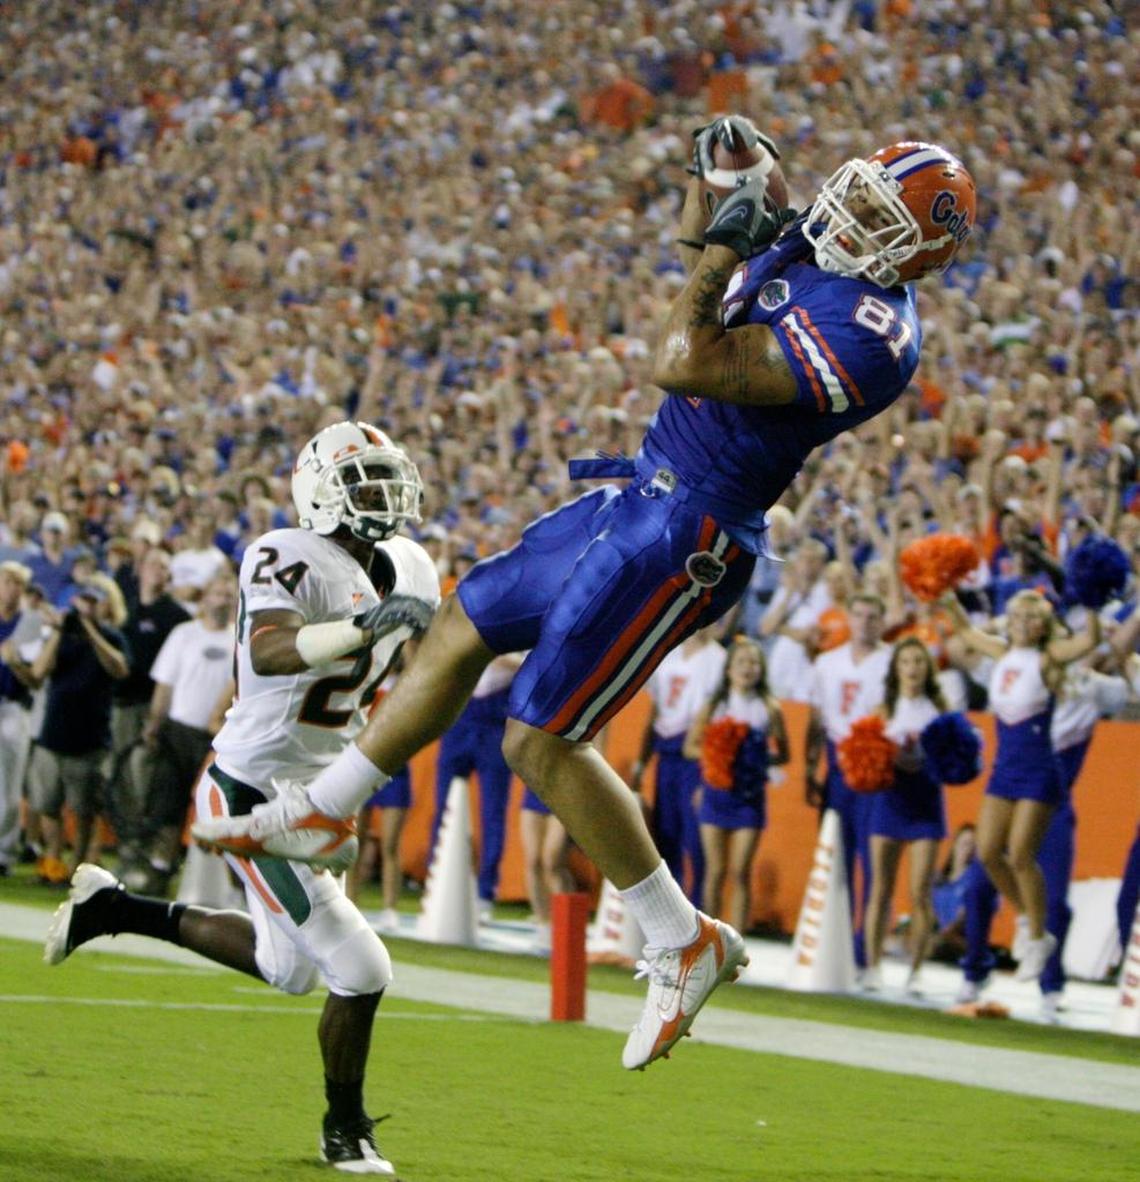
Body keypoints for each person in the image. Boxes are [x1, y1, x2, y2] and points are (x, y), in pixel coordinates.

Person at [195, 124, 977, 1070]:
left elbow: (685, 358)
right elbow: (703, 256)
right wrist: (714, 190)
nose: (844, 211)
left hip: (690, 531)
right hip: (639, 492)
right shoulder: (820, 241)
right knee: (465, 616)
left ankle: (678, 935)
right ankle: (329, 804)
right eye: (855, 191)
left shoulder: (873, 334)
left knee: (541, 739)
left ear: (910, 253)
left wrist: (733, 241)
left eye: (874, 214)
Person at [46, 421, 439, 1177]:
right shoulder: (285, 551)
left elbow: (418, 663)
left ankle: (115, 910)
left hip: (321, 789)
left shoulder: (412, 565)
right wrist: (361, 628)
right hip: (254, 790)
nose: (383, 495)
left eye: (389, 476)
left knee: (288, 968)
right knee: (360, 967)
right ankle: (344, 1130)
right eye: (363, 481)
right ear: (319, 492)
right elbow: (269, 647)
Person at [941, 589, 1099, 981]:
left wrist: (1092, 601)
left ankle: (1036, 933)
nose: (1023, 625)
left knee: (1020, 854)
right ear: (1009, 621)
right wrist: (946, 595)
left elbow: (1090, 641)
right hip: (1004, 769)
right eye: (1017, 617)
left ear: (1043, 625)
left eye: (1032, 619)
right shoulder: (1002, 652)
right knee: (989, 851)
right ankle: (1030, 921)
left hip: (1039, 769)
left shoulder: (1048, 658)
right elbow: (963, 629)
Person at [803, 593, 892, 964]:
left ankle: (865, 947)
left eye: (873, 616)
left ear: (882, 621)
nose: (865, 622)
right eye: (859, 614)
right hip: (838, 761)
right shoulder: (827, 662)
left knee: (873, 861)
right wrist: (811, 766)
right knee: (835, 855)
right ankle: (830, 940)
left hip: (875, 762)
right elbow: (817, 718)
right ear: (849, 618)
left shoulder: (889, 660)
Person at [137, 574, 237, 891]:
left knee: (208, 810)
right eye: (217, 592)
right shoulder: (184, 634)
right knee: (167, 806)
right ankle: (160, 870)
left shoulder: (239, 640)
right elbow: (164, 685)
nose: (222, 599)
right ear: (205, 598)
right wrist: (154, 724)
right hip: (178, 730)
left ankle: (201, 881)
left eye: (228, 594)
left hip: (217, 738)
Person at [28, 575, 130, 880]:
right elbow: (38, 672)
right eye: (82, 602)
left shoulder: (112, 638)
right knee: (47, 804)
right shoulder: (63, 638)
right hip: (53, 734)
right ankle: (52, 861)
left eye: (92, 603)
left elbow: (119, 668)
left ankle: (78, 864)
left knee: (83, 810)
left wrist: (90, 631)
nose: (86, 608)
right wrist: (60, 632)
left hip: (89, 740)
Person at [861, 638, 948, 995]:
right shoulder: (883, 710)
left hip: (926, 803)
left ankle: (916, 971)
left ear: (927, 669)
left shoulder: (940, 710)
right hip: (890, 802)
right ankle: (873, 967)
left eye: (918, 661)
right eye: (906, 662)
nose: (912, 668)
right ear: (896, 669)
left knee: (920, 891)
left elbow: (953, 760)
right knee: (880, 888)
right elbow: (864, 756)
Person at [684, 636, 788, 934]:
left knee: (740, 871)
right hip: (716, 794)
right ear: (729, 669)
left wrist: (758, 759)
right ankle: (708, 937)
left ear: (762, 670)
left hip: (749, 797)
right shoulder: (715, 705)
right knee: (714, 870)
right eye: (741, 662)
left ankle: (737, 942)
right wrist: (717, 754)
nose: (748, 668)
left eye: (754, 663)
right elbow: (690, 747)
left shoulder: (769, 708)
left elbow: (784, 753)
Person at [632, 624, 726, 906]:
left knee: (695, 840)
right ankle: (669, 911)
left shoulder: (717, 659)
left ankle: (696, 909)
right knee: (666, 835)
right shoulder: (668, 653)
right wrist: (641, 760)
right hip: (666, 751)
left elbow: (716, 718)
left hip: (695, 753)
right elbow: (655, 711)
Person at [430, 652, 527, 920]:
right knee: (444, 806)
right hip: (461, 713)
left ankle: (485, 891)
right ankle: (436, 880)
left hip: (496, 719)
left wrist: (498, 653)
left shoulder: (527, 623)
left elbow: (533, 662)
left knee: (493, 813)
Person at [0, 561, 46, 876]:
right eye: (6, 581)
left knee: (10, 786)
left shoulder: (30, 623)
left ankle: (3, 852)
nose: (11, 588)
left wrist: (13, 662)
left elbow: (35, 678)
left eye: (17, 583)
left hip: (14, 705)